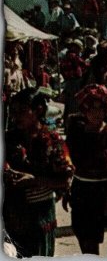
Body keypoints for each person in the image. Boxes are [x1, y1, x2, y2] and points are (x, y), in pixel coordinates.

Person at [4, 88, 74, 258]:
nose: (16, 116)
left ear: (38, 110)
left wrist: (34, 180)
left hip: (39, 217)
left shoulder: (52, 141)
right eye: (13, 111)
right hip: (10, 216)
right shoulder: (8, 139)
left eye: (22, 110)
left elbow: (65, 181)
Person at [66, 84, 107, 254]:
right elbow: (69, 161)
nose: (96, 113)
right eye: (91, 109)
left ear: (106, 110)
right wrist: (67, 188)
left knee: (92, 238)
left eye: (100, 109)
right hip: (80, 188)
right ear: (84, 110)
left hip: (101, 190)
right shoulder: (76, 132)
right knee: (82, 234)